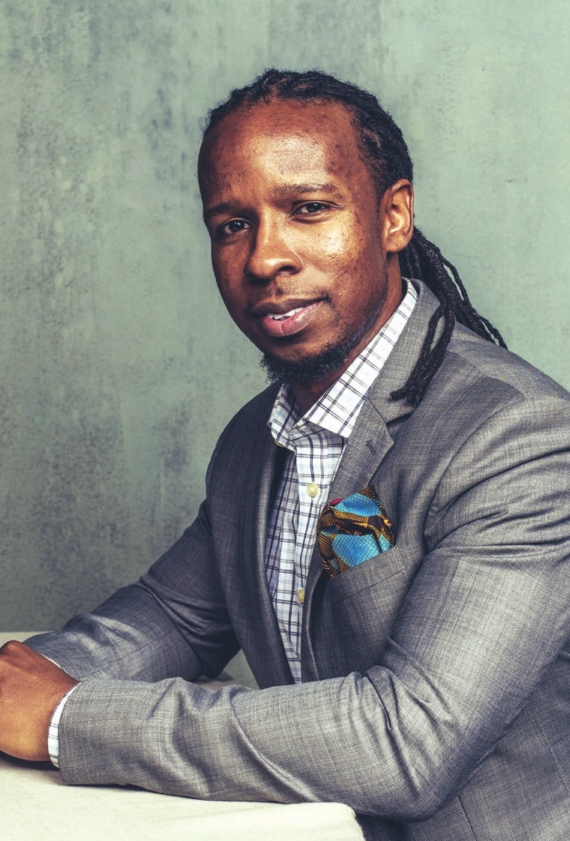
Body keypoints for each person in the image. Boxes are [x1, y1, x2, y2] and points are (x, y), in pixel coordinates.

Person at [1, 69, 570, 841]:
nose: (265, 256)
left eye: (308, 209)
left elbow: (408, 740)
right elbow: (173, 617)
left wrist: (68, 717)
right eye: (232, 223)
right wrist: (19, 686)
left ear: (393, 216)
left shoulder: (518, 436)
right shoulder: (255, 440)